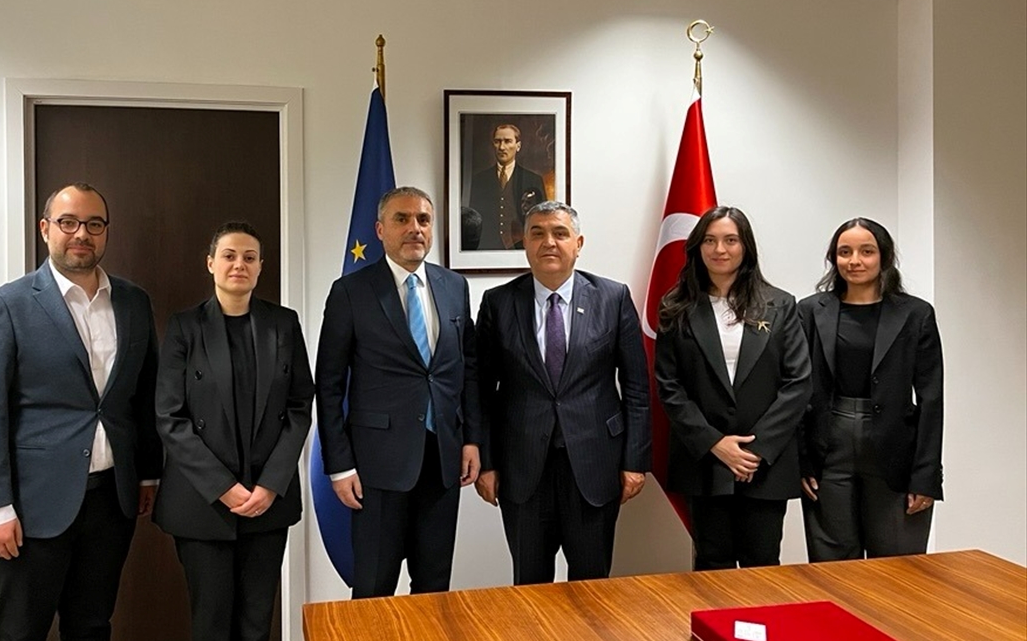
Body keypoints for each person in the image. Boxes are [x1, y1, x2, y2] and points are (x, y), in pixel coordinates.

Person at [0, 182, 161, 641]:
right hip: (28, 510)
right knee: (20, 640)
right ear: (45, 229)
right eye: (68, 222)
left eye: (94, 224)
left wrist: (147, 473)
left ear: (106, 232)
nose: (81, 234)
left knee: (91, 629)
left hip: (109, 502)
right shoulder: (6, 306)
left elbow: (141, 398)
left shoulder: (133, 303)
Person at [152, 221, 312, 641]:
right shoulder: (185, 327)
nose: (239, 264)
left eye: (249, 257)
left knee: (254, 625)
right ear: (211, 264)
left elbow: (299, 408)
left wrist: (270, 484)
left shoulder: (283, 324)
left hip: (267, 501)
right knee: (212, 628)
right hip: (203, 505)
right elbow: (170, 417)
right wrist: (223, 486)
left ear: (261, 267)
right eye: (229, 255)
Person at [316, 186, 481, 598]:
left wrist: (472, 439)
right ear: (380, 230)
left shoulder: (453, 286)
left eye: (423, 220)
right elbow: (330, 384)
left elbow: (468, 370)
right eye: (402, 219)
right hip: (377, 467)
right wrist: (339, 465)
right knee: (374, 590)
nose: (415, 229)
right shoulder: (351, 292)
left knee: (433, 589)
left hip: (442, 461)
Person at [474, 201, 651, 584]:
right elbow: (481, 391)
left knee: (591, 586)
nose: (548, 242)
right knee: (530, 586)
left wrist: (635, 462)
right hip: (522, 470)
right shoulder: (498, 303)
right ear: (524, 242)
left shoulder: (613, 298)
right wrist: (486, 463)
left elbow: (637, 388)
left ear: (578, 243)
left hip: (595, 466)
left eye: (560, 233)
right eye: (537, 233)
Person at [654, 206, 810, 571]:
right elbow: (669, 385)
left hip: (765, 464)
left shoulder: (781, 304)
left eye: (730, 240)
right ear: (697, 247)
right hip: (705, 461)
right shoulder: (676, 306)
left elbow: (798, 382)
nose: (719, 249)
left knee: (762, 564)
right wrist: (715, 443)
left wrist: (755, 451)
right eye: (709, 240)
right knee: (712, 564)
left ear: (745, 247)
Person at [797, 218, 942, 561]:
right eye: (844, 252)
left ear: (884, 257)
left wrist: (926, 476)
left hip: (896, 450)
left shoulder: (915, 314)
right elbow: (797, 390)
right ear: (833, 258)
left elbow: (931, 398)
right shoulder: (810, 311)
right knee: (833, 566)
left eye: (866, 251)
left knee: (897, 566)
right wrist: (801, 460)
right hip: (827, 447)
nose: (854, 261)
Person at [468, 123, 547, 250]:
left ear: (518, 146)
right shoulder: (478, 179)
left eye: (507, 141)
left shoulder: (533, 179)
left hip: (521, 248)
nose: (502, 147)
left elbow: (542, 219)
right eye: (497, 141)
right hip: (487, 248)